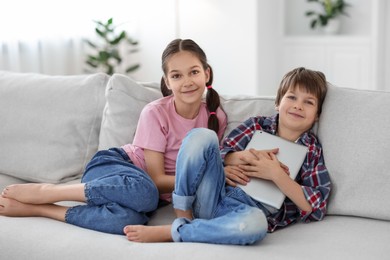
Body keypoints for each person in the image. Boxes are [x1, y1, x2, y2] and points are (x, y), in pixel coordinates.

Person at [0, 39, 227, 235]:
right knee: (146, 193)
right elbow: (157, 180)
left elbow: (211, 162)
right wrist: (207, 179)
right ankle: (49, 192)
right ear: (167, 82)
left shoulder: (216, 117)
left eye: (194, 72)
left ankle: (42, 209)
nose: (187, 81)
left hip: (143, 195)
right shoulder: (156, 112)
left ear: (206, 73)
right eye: (177, 75)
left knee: (130, 220)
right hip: (115, 167)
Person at [123, 67, 331, 245]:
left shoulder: (311, 149)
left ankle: (178, 230)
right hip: (212, 194)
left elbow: (316, 206)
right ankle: (182, 211)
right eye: (292, 97)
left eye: (308, 102)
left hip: (245, 212)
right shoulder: (256, 125)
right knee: (203, 136)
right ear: (278, 102)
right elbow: (219, 153)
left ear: (318, 115)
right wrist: (239, 158)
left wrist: (277, 175)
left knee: (256, 226)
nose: (297, 106)